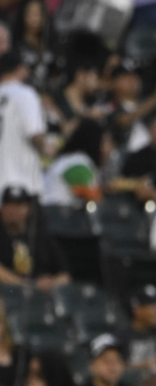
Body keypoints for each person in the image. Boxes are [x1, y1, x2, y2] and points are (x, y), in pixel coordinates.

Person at [0, 185, 67, 290]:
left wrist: (52, 283)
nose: (13, 210)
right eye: (9, 205)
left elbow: (65, 275)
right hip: (8, 293)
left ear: (28, 209)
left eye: (18, 206)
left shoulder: (41, 236)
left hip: (43, 295)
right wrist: (30, 285)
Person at [0, 51, 47, 198]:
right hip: (21, 185)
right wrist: (48, 150)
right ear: (19, 68)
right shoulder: (25, 94)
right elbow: (35, 135)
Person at [41, 118, 109, 209]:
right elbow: (94, 196)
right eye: (104, 142)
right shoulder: (78, 163)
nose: (107, 148)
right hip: (54, 212)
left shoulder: (72, 159)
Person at [120, 285, 156, 370]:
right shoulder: (122, 337)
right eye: (152, 308)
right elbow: (115, 367)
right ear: (137, 310)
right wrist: (142, 366)